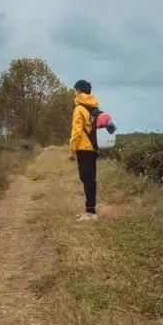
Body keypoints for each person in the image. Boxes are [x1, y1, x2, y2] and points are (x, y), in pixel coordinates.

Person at [69, 79, 99, 221]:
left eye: (74, 91)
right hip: (94, 149)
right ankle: (89, 210)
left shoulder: (79, 109)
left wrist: (72, 150)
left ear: (79, 91)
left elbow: (76, 132)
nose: (73, 93)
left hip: (84, 148)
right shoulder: (94, 108)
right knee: (90, 179)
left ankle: (90, 213)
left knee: (87, 180)